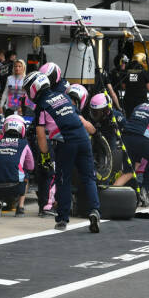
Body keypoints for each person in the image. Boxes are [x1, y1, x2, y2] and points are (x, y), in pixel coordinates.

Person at [26, 71, 100, 233]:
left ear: (33, 88)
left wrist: (45, 156)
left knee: (63, 180)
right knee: (89, 178)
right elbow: (81, 120)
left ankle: (62, 219)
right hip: (83, 138)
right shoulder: (64, 97)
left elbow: (40, 137)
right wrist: (96, 133)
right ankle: (94, 210)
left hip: (66, 143)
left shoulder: (41, 107)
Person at [0, 115, 35, 217]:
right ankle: (20, 207)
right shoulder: (24, 144)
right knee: (26, 174)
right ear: (22, 129)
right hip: (17, 186)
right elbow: (31, 166)